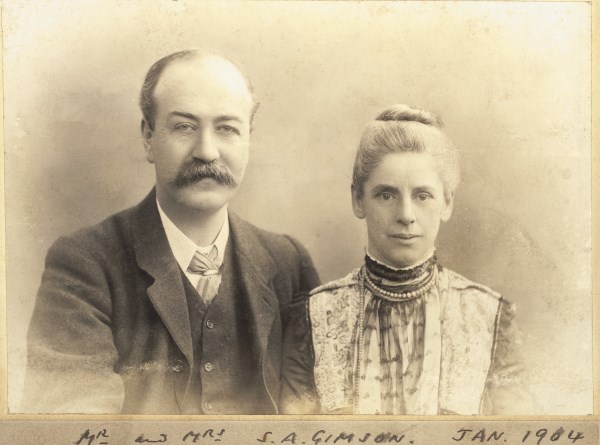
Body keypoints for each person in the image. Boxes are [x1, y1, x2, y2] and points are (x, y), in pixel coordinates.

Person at [22, 49, 319, 414]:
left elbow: (315, 420)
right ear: (148, 137)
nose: (207, 152)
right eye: (184, 127)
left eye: (227, 128)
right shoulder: (84, 263)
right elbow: (73, 429)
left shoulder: (288, 263)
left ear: (249, 139)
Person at [308, 104, 523, 415]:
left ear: (447, 203)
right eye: (386, 195)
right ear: (358, 200)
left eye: (422, 196)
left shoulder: (491, 317)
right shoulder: (312, 317)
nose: (406, 215)